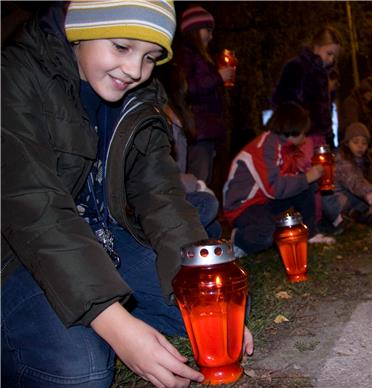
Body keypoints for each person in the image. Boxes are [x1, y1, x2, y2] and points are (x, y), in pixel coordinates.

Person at [1, 2, 252, 387]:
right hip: (18, 255)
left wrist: (202, 284)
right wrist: (114, 321)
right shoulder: (15, 76)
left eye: (150, 57)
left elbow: (163, 196)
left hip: (100, 241)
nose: (135, 70)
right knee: (81, 371)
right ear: (78, 29)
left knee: (217, 308)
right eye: (121, 46)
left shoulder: (141, 95)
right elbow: (37, 210)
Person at [223, 102, 336, 257]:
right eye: (304, 132)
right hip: (244, 206)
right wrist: (307, 177)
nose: (305, 138)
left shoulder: (284, 147)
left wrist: (306, 177)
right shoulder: (266, 145)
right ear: (294, 129)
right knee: (268, 235)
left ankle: (311, 234)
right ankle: (239, 238)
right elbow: (274, 187)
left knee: (306, 186)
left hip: (264, 201)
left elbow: (289, 180)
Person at [157, 61, 222, 239]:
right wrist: (197, 185)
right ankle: (167, 246)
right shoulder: (159, 123)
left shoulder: (177, 123)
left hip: (173, 195)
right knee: (206, 204)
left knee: (213, 228)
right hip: (158, 201)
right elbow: (160, 177)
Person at [174, 5, 233, 184]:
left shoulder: (198, 57)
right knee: (198, 182)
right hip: (198, 132)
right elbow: (184, 88)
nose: (211, 35)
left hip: (205, 131)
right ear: (196, 30)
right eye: (208, 30)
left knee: (202, 180)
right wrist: (218, 77)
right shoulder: (186, 55)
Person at [272, 26, 343, 148]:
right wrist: (297, 133)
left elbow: (323, 112)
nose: (331, 60)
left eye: (334, 56)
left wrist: (329, 136)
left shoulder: (322, 74)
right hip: (301, 139)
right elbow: (284, 103)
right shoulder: (296, 66)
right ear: (316, 46)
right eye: (329, 53)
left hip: (320, 139)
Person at [322, 123, 372, 232]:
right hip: (336, 200)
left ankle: (361, 215)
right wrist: (369, 193)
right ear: (347, 143)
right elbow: (353, 180)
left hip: (350, 196)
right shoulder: (342, 159)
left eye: (364, 143)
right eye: (355, 142)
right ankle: (347, 219)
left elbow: (364, 181)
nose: (360, 146)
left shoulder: (363, 161)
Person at [339, 76, 372, 141]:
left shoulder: (368, 105)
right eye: (370, 91)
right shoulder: (352, 102)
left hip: (362, 136)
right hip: (350, 138)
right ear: (364, 90)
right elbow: (354, 124)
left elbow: (371, 126)